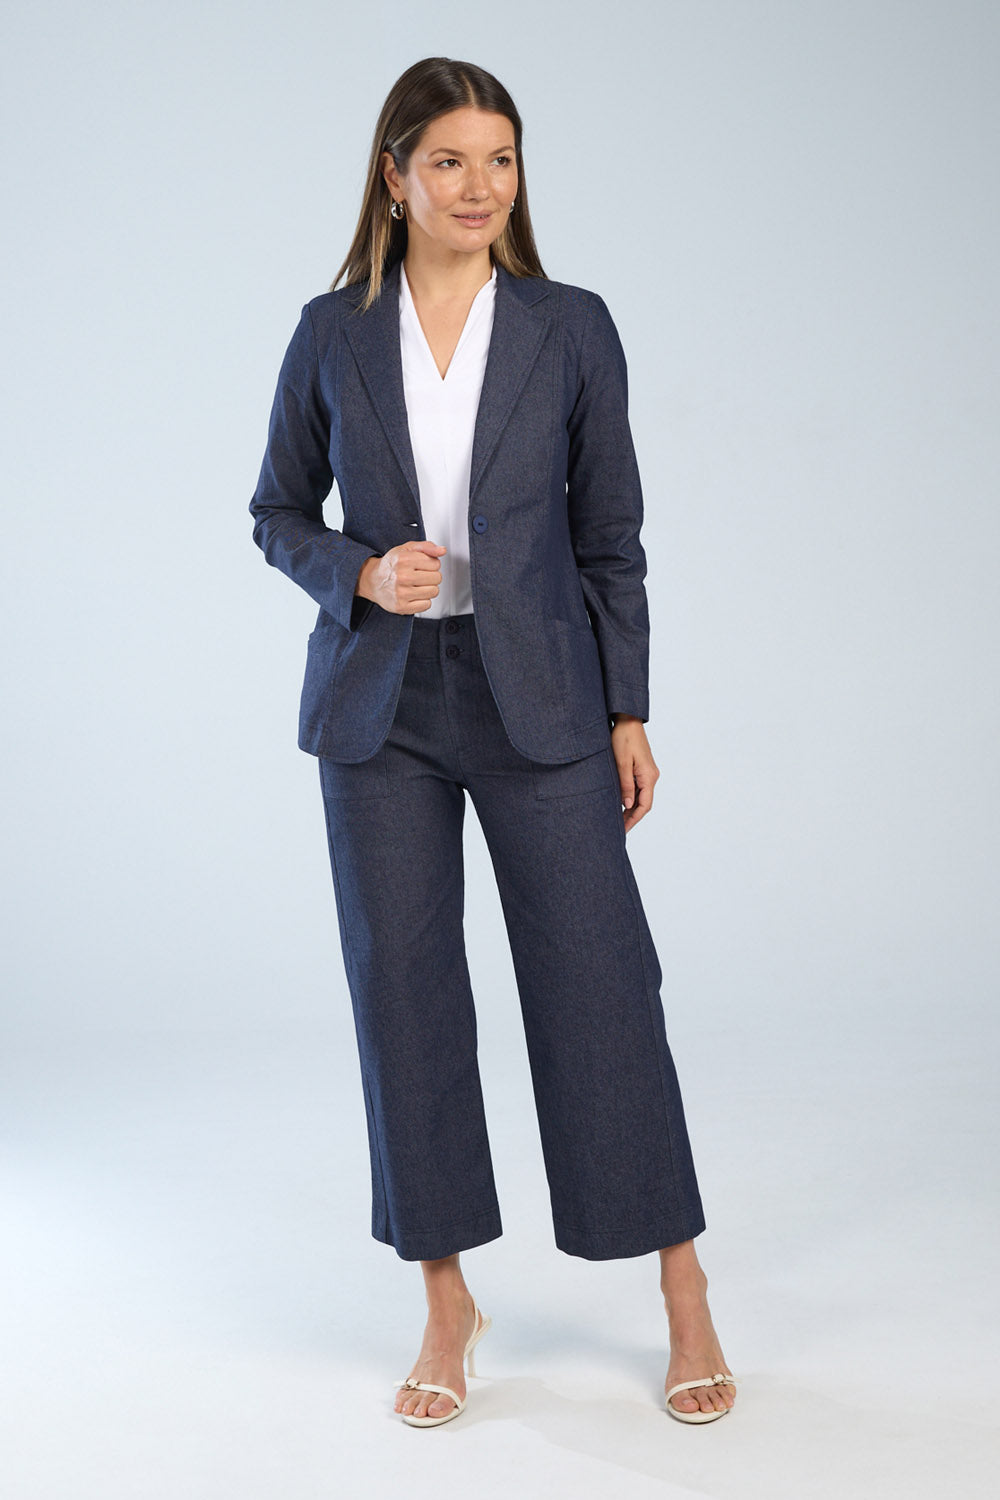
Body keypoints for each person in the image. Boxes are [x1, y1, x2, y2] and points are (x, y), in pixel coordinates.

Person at [249, 55, 737, 1429]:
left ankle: (681, 1285)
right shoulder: (330, 331)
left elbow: (612, 537)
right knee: (404, 999)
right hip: (380, 710)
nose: (480, 186)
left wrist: (627, 708)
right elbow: (276, 506)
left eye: (502, 160)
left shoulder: (571, 327)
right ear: (395, 176)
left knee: (599, 985)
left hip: (546, 700)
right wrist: (353, 571)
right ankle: (446, 1298)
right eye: (451, 160)